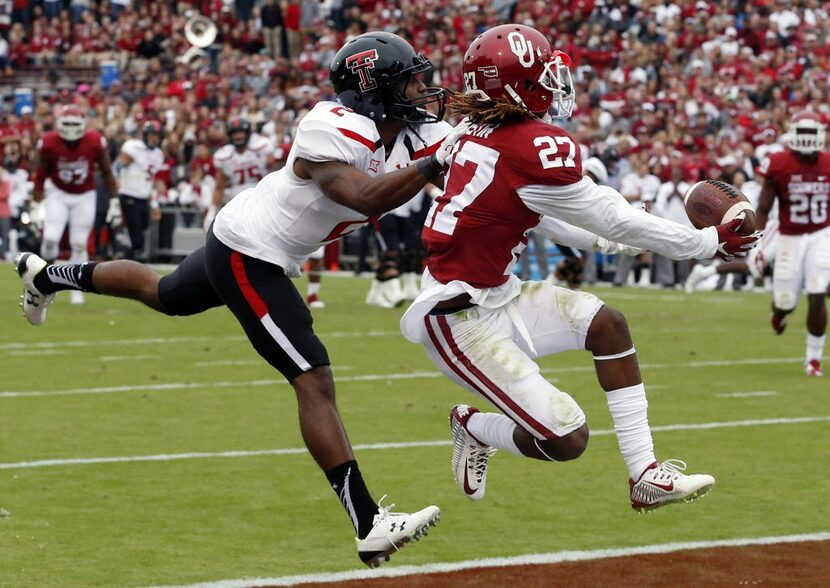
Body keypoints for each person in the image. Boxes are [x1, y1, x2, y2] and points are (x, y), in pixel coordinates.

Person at [16, 31, 462, 567]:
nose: (423, 89)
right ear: (373, 89)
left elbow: (472, 150)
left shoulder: (416, 130)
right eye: (410, 80)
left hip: (252, 238)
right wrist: (438, 162)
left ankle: (46, 276)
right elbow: (364, 195)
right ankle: (369, 523)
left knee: (162, 294)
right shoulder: (331, 126)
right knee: (312, 377)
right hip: (250, 252)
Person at [400, 24, 759, 511]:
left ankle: (646, 474)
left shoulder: (477, 131)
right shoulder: (527, 146)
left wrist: (612, 241)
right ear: (516, 85)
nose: (555, 82)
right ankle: (473, 425)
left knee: (607, 325)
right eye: (545, 73)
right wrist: (702, 242)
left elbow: (536, 211)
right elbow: (605, 212)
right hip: (457, 318)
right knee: (567, 438)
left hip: (498, 292)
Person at [755, 111, 830, 377]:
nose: (808, 139)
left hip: (822, 234)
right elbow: (764, 207)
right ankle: (780, 313)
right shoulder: (778, 163)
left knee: (817, 290)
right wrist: (758, 240)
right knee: (785, 300)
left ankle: (813, 359)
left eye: (812, 133)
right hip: (789, 235)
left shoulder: (828, 162)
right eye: (804, 133)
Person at [32, 104, 118, 305]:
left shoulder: (94, 141)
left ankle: (75, 289)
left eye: (74, 123)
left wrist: (114, 201)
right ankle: (46, 283)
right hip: (58, 192)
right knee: (51, 238)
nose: (71, 128)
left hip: (84, 195)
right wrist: (35, 205)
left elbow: (107, 172)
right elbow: (40, 175)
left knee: (79, 243)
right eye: (67, 123)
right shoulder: (49, 142)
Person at [203, 117, 274, 229]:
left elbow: (275, 172)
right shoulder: (225, 156)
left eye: (241, 132)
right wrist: (212, 210)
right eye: (235, 133)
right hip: (238, 199)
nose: (238, 136)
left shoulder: (261, 147)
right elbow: (219, 187)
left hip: (261, 193)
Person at [114, 120, 165, 266]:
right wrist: (116, 179)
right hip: (129, 194)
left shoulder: (158, 154)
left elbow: (152, 180)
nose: (154, 138)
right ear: (144, 135)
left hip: (143, 197)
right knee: (135, 236)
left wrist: (155, 204)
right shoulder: (134, 147)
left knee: (142, 231)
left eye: (157, 135)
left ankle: (127, 260)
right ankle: (128, 262)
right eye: (151, 135)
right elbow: (116, 166)